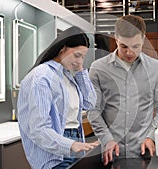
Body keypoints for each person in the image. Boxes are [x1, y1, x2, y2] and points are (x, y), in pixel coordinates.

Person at [87, 15, 158, 166]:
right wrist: (107, 139)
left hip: (145, 153)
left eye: (136, 46)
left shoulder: (156, 68)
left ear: (143, 39)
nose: (130, 52)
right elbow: (93, 109)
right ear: (116, 39)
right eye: (124, 46)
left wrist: (151, 137)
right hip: (110, 154)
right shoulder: (98, 68)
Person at [17, 26, 99, 169]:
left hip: (74, 142)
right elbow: (39, 129)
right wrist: (71, 144)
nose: (80, 61)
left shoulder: (66, 76)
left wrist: (80, 71)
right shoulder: (42, 77)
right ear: (63, 49)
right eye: (77, 55)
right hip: (55, 152)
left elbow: (90, 103)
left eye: (83, 57)